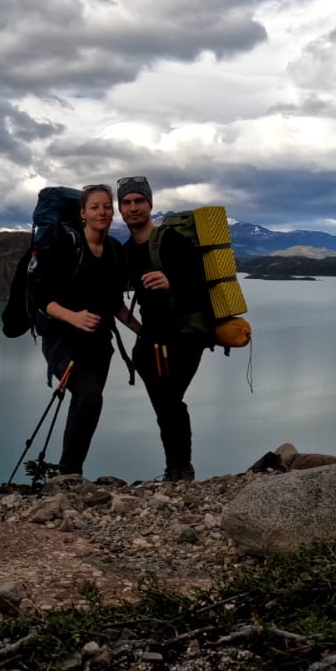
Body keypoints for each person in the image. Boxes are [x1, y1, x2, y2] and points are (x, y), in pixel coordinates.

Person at [34, 184, 131, 477]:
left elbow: (115, 303)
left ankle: (71, 471)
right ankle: (68, 475)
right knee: (88, 397)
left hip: (99, 345)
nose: (102, 212)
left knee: (89, 404)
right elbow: (39, 298)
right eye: (94, 207)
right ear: (82, 214)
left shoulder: (113, 249)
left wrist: (144, 331)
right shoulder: (66, 245)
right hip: (63, 341)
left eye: (106, 207)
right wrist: (73, 317)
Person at [117, 176, 207, 482]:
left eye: (139, 201)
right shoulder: (127, 250)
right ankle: (177, 469)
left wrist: (172, 282)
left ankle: (179, 469)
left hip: (183, 337)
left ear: (150, 204)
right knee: (166, 404)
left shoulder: (173, 241)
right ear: (120, 208)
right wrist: (139, 331)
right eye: (126, 202)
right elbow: (113, 297)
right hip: (150, 343)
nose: (133, 208)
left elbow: (200, 286)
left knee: (169, 402)